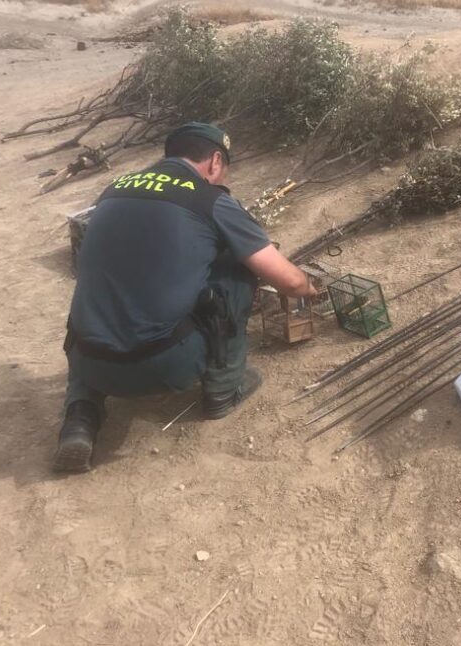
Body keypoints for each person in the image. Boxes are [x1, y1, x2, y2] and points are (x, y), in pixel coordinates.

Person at [53, 122, 316, 472]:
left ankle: (80, 418)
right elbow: (290, 282)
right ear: (215, 161)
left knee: (106, 286)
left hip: (88, 359)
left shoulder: (113, 191)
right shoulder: (209, 199)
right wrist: (311, 290)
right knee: (237, 267)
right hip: (162, 366)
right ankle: (224, 388)